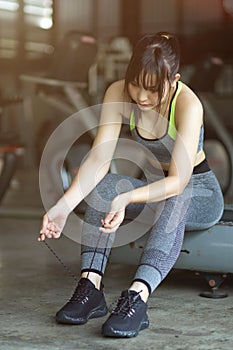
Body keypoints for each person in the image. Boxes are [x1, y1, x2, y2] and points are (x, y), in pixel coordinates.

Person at [39, 32, 224, 338]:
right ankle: (91, 288)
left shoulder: (188, 104)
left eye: (152, 89)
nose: (141, 97)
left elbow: (178, 182)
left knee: (173, 198)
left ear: (174, 79)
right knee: (108, 186)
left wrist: (128, 199)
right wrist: (64, 206)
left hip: (197, 190)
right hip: (154, 187)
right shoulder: (118, 92)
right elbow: (99, 159)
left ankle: (137, 298)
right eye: (135, 84)